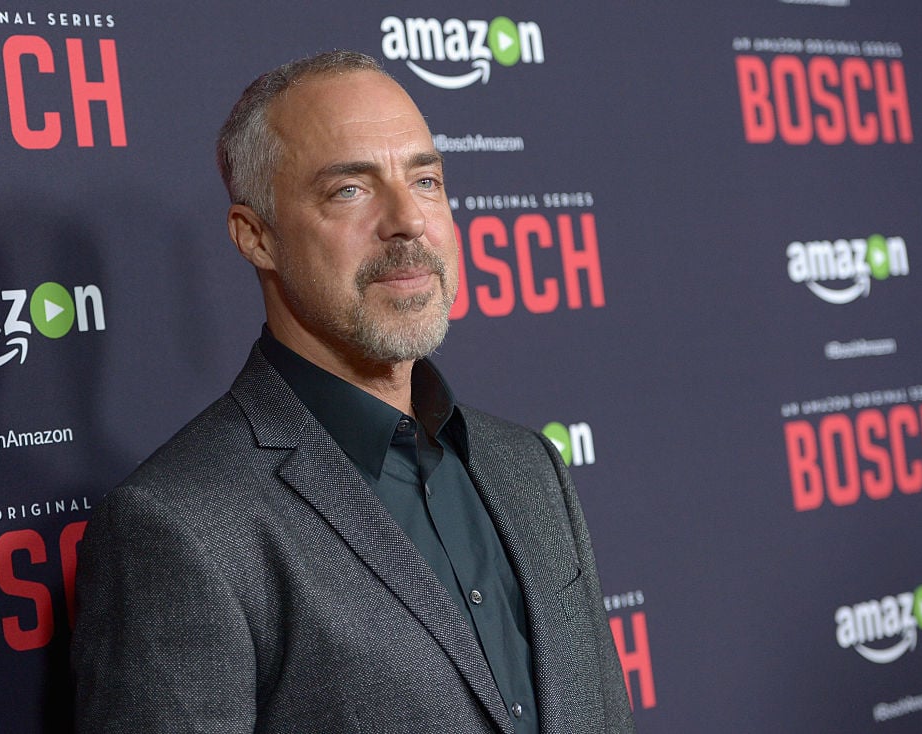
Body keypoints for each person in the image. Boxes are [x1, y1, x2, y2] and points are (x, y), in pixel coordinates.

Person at [71, 50, 635, 734]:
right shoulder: (181, 527)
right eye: (350, 190)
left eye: (426, 180)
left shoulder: (531, 469)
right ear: (256, 238)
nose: (408, 221)